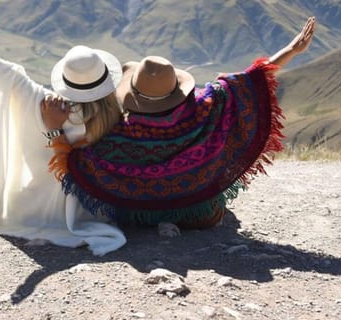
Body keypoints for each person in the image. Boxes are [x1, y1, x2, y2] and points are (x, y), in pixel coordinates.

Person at [43, 18, 317, 236]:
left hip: (141, 214)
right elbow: (249, 81)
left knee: (132, 208)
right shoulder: (204, 106)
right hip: (201, 216)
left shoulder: (124, 134)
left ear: (135, 94)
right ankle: (180, 216)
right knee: (219, 205)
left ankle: (161, 219)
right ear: (176, 87)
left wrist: (55, 129)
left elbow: (78, 165)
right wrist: (291, 50)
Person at [0, 0, 126, 255]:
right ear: (104, 79)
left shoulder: (45, 104)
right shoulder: (115, 115)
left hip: (30, 206)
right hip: (88, 209)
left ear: (65, 78)